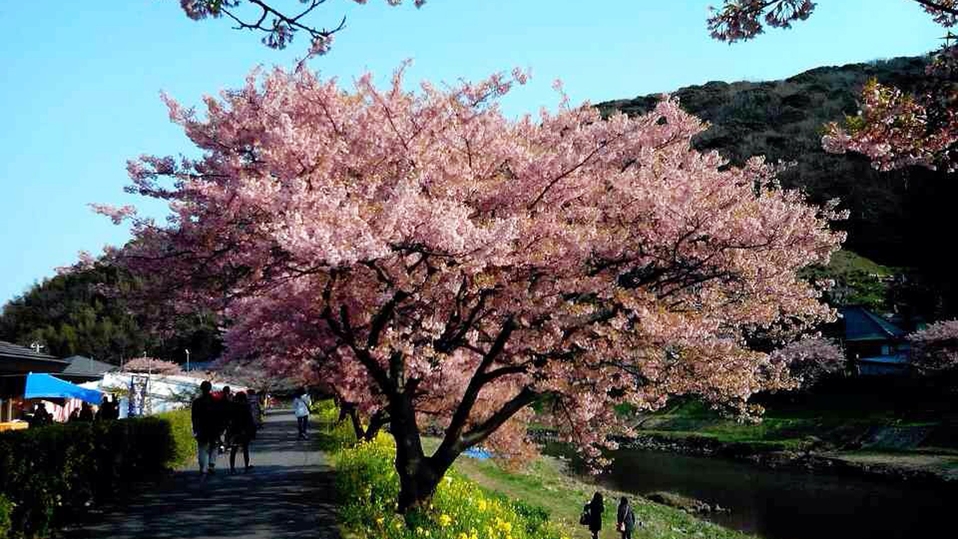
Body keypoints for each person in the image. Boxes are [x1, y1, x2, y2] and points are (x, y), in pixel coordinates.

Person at [191, 381, 219, 476]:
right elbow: (220, 416)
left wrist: (195, 429)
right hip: (213, 428)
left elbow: (194, 417)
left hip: (201, 428)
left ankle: (203, 467)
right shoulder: (215, 401)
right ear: (210, 388)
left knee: (202, 447)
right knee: (214, 446)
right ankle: (211, 465)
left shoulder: (197, 402)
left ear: (201, 389)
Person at [227, 392, 256, 474]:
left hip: (234, 430)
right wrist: (252, 431)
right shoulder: (246, 407)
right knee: (245, 448)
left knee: (234, 449)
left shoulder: (232, 406)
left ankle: (232, 468)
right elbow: (250, 420)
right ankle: (246, 466)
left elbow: (229, 419)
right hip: (244, 431)